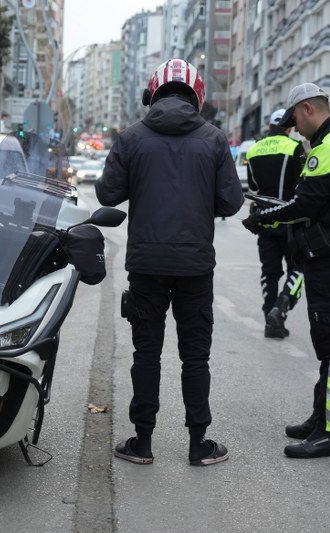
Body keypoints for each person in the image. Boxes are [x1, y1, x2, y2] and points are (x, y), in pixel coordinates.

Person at [95, 58, 244, 466]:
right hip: (196, 268)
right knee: (194, 357)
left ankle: (142, 443)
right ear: (196, 95)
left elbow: (107, 195)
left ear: (153, 94)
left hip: (146, 265)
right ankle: (199, 445)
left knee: (147, 354)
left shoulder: (131, 138)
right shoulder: (214, 140)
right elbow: (232, 201)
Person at [243, 83, 330, 459]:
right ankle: (321, 417)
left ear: (308, 108)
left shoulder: (327, 150)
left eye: (296, 117)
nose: (294, 126)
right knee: (326, 340)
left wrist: (263, 219)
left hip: (329, 254)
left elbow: (303, 204)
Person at [244, 109, 305, 339]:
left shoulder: (254, 150)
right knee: (298, 270)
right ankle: (281, 308)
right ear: (288, 127)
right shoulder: (294, 148)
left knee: (269, 273)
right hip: (290, 221)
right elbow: (302, 183)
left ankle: (269, 315)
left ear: (269, 126)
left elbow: (253, 184)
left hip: (264, 220)